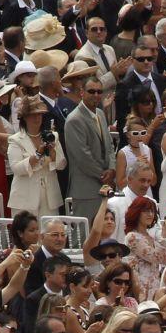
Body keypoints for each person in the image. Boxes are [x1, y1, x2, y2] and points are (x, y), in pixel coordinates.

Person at [64, 75, 116, 222]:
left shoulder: (100, 114)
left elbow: (109, 145)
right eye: (91, 91)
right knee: (86, 232)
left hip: (106, 186)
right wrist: (104, 176)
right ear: (82, 92)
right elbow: (82, 156)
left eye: (99, 92)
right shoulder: (74, 119)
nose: (96, 95)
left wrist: (112, 169)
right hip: (86, 190)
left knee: (104, 231)